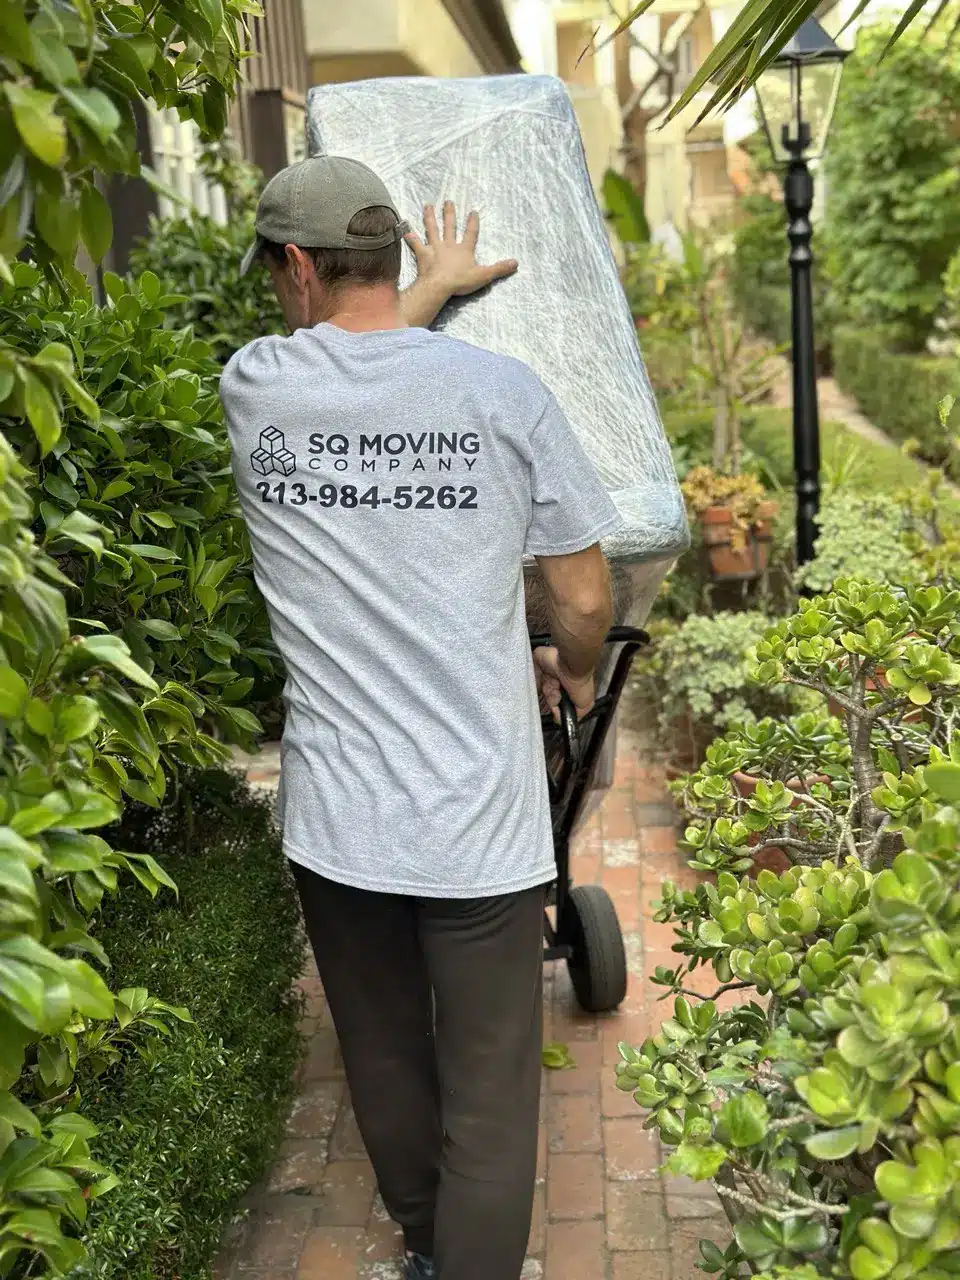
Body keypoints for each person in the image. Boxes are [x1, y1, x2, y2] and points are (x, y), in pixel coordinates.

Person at [220, 155, 621, 1280]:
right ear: (386, 253)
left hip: (342, 824)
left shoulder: (256, 387)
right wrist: (570, 668)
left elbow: (356, 368)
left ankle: (428, 1249)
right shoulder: (504, 396)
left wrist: (416, 295)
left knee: (388, 1055)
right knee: (492, 1087)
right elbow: (584, 596)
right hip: (478, 820)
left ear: (294, 267)